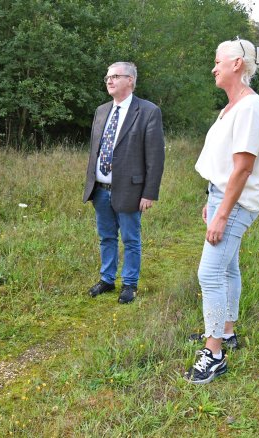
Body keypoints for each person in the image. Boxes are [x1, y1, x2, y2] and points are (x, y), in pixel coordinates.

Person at [183, 38, 259, 384]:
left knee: (210, 273)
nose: (213, 68)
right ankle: (228, 331)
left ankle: (214, 352)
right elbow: (225, 166)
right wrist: (213, 199)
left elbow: (243, 168)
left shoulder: (249, 107)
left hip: (236, 201)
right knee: (228, 268)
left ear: (237, 64)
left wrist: (222, 213)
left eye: (218, 61)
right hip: (223, 196)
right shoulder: (232, 107)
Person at [82, 62, 165, 304]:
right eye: (107, 77)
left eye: (115, 76)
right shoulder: (101, 111)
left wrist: (149, 193)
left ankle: (130, 284)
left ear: (130, 80)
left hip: (131, 188)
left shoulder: (148, 111)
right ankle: (107, 279)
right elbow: (95, 150)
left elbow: (155, 157)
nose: (109, 80)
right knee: (106, 237)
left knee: (130, 239)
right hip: (100, 189)